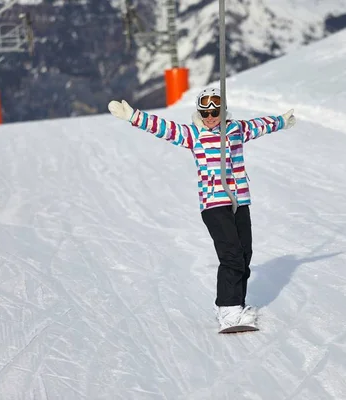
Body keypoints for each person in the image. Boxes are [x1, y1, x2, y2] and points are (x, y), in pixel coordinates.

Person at [107, 88, 296, 330]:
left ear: (223, 110)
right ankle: (228, 311)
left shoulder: (236, 129)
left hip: (239, 200)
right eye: (205, 113)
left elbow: (260, 125)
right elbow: (165, 128)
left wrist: (282, 121)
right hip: (214, 203)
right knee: (231, 255)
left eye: (215, 112)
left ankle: (236, 304)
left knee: (244, 254)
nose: (210, 117)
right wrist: (133, 116)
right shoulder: (194, 134)